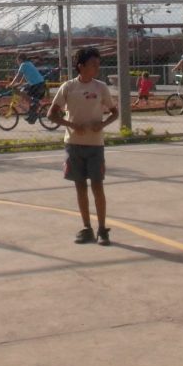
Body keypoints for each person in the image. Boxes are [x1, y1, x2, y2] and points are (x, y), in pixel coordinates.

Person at [49, 46, 118, 246]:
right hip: (74, 145)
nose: (97, 68)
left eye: (98, 64)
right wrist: (72, 126)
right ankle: (86, 227)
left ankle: (102, 229)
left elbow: (115, 112)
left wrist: (102, 125)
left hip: (95, 145)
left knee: (97, 186)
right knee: (80, 187)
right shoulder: (68, 87)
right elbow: (51, 114)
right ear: (81, 66)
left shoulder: (101, 87)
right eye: (93, 64)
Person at [8, 54, 47, 123]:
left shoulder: (23, 65)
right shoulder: (29, 63)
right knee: (30, 98)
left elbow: (18, 76)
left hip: (37, 85)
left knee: (22, 93)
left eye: (17, 60)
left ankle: (34, 106)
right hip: (40, 84)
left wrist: (11, 84)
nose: (17, 62)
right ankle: (32, 116)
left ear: (20, 60)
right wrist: (19, 83)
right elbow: (24, 75)